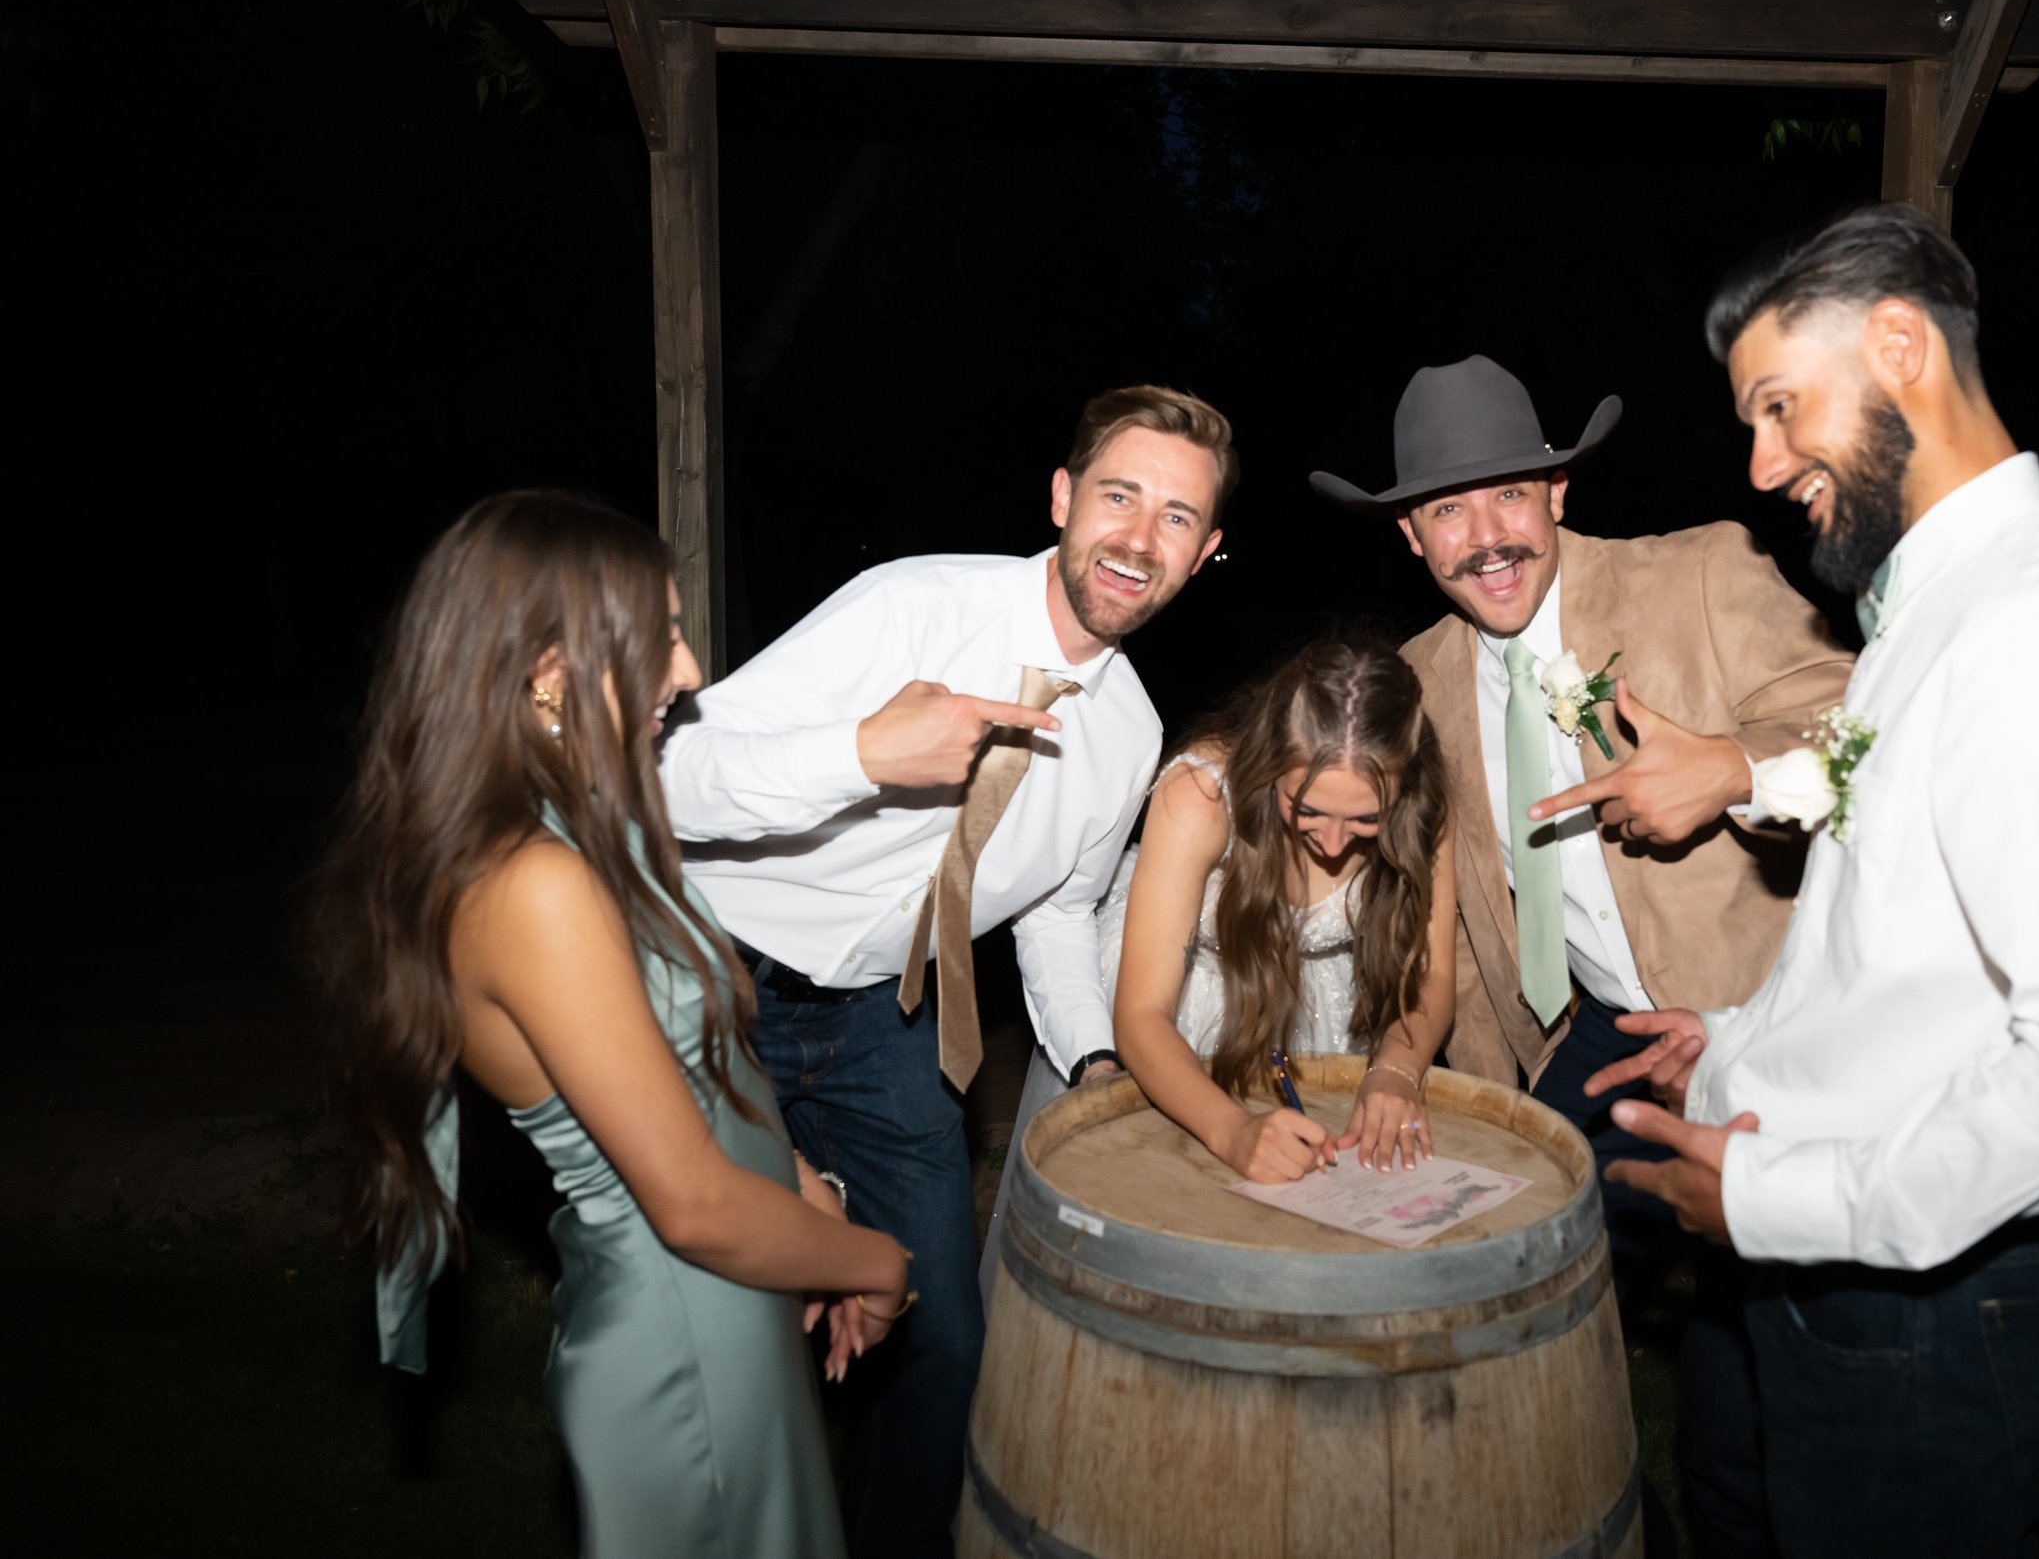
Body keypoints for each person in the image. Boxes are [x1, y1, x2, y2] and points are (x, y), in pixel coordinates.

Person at [1580, 203, 2039, 1558]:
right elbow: (1898, 928)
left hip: (1931, 1311)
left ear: (1899, 342)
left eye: (1777, 405)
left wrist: (1774, 1199)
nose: (1760, 462)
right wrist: (1745, 1041)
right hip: (1833, 1275)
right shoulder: (1936, 608)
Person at [658, 385, 1234, 1559]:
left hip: (893, 1025)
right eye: (1120, 495)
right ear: (1064, 498)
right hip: (714, 988)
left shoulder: (1127, 734)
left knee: (944, 1349)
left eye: (1177, 518)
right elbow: (664, 774)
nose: (1138, 536)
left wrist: (1100, 1058)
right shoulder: (910, 604)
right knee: (719, 1349)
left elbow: (1060, 915)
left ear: (1205, 553)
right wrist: (860, 753)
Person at [1311, 354, 1855, 1557]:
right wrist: (1415, 1076)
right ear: (1410, 536)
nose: (1485, 536)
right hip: (1597, 1043)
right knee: (1506, 1315)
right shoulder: (1421, 683)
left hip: (1773, 1025)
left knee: (1753, 1390)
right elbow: (1435, 911)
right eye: (1447, 509)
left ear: (1558, 492)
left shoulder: (1700, 571)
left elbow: (1864, 712)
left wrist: (1728, 764)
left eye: (1508, 493)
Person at [326, 490, 909, 1559]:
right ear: (549, 666)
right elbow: (687, 1201)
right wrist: (875, 1257)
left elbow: (694, 1057)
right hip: (683, 1325)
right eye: (661, 636)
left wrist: (798, 1187)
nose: (687, 671)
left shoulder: (586, 824)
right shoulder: (530, 883)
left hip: (737, 1284)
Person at [1104, 636, 1458, 1182]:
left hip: (1324, 1003)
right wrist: (1233, 1130)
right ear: (1271, 764)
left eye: (1366, 820)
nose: (1336, 845)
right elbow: (1142, 1015)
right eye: (1309, 810)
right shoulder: (1199, 796)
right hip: (1190, 1003)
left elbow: (1430, 976)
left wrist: (1396, 1071)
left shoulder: (1424, 804)